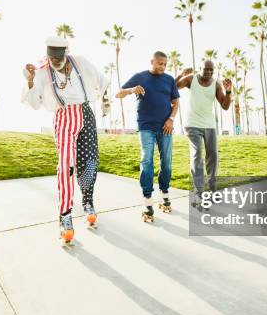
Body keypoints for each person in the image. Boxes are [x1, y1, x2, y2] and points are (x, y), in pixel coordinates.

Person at [21, 36, 110, 244]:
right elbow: (34, 103)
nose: (55, 61)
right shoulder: (42, 71)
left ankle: (88, 202)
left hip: (86, 114)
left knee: (89, 164)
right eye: (51, 57)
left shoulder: (81, 62)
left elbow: (102, 81)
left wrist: (105, 101)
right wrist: (30, 81)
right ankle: (65, 216)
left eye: (59, 57)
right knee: (66, 165)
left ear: (66, 53)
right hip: (64, 117)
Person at [116, 51, 180, 221]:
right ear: (152, 61)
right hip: (146, 126)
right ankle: (147, 199)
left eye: (165, 64)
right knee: (147, 160)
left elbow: (176, 102)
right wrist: (132, 89)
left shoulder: (169, 80)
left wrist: (171, 119)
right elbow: (119, 93)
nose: (163, 66)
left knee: (166, 161)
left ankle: (164, 192)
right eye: (160, 63)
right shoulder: (141, 77)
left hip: (165, 127)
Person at [175, 61, 232, 208]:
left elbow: (225, 106)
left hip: (210, 125)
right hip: (192, 124)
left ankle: (213, 188)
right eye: (205, 69)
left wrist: (228, 91)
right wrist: (181, 74)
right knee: (198, 152)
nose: (208, 72)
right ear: (199, 69)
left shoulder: (216, 85)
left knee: (212, 155)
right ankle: (198, 192)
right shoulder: (191, 79)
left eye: (211, 70)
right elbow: (173, 87)